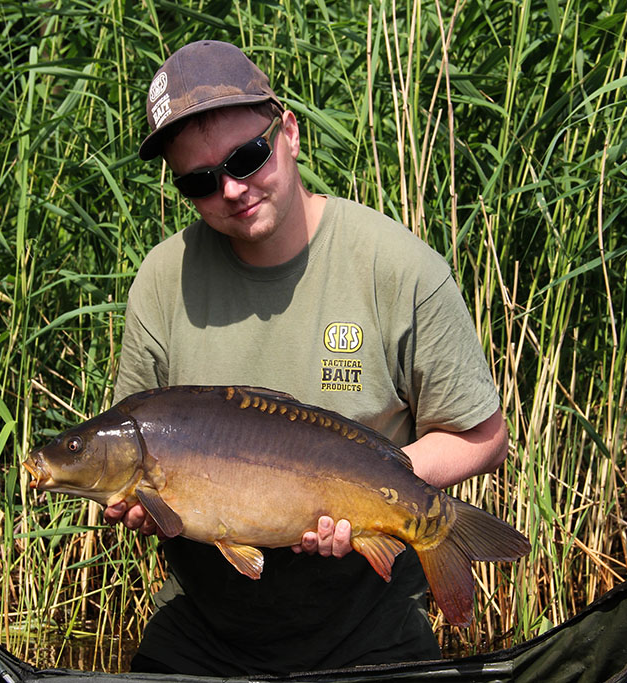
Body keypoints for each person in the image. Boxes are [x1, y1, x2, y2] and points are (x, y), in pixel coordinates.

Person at [106, 40, 509, 676]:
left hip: (367, 624)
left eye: (248, 157)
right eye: (201, 183)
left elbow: (482, 437)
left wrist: (365, 489)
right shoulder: (162, 280)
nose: (233, 190)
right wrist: (137, 505)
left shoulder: (397, 269)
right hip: (205, 626)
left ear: (289, 132)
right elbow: (133, 444)